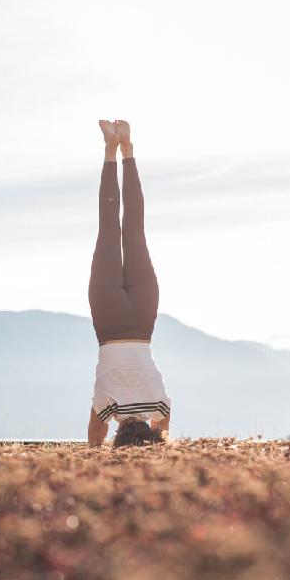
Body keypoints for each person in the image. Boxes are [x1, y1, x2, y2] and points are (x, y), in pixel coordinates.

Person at [87, 119, 171, 447]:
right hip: (109, 320)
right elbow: (94, 440)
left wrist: (157, 439)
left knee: (135, 229)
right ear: (118, 436)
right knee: (109, 228)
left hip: (142, 316)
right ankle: (111, 149)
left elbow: (163, 431)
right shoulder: (108, 405)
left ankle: (128, 149)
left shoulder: (160, 404)